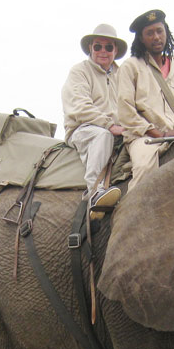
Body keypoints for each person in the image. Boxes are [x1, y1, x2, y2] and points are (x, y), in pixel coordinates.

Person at [118, 10, 174, 187]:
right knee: (144, 168)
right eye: (149, 33)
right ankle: (132, 213)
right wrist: (159, 133)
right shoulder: (131, 66)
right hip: (144, 137)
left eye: (159, 31)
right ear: (142, 39)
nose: (156, 37)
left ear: (166, 32)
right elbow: (126, 112)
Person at [62, 24, 127, 219]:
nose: (103, 51)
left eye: (108, 47)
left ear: (115, 50)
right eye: (98, 46)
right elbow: (80, 106)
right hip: (84, 128)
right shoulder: (79, 72)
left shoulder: (123, 75)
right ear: (90, 48)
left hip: (119, 130)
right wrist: (109, 125)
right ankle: (96, 191)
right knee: (102, 135)